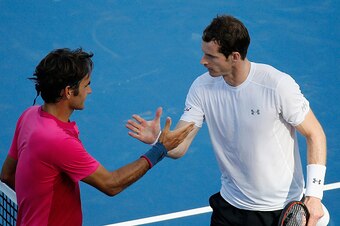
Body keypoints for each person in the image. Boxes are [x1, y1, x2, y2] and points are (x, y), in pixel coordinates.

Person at [126, 15, 329, 226]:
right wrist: (159, 140)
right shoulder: (201, 88)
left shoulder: (276, 85)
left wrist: (314, 195)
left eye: (211, 56)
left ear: (234, 56)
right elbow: (180, 147)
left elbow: (315, 134)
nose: (202, 61)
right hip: (230, 207)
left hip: (279, 210)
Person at [0, 48, 194, 226]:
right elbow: (111, 184)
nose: (90, 91)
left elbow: (7, 175)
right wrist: (160, 148)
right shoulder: (57, 140)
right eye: (86, 85)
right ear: (68, 91)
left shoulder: (30, 115)